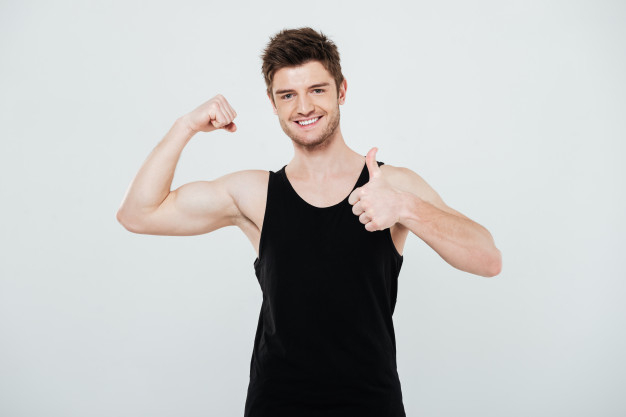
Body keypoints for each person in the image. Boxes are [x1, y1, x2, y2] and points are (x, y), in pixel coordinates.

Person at [116, 27, 501, 417]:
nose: (303, 107)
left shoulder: (391, 185)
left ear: (341, 91)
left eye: (317, 89)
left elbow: (488, 259)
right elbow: (138, 214)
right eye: (288, 95)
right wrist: (185, 127)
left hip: (371, 405)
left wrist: (405, 208)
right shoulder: (256, 194)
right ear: (273, 103)